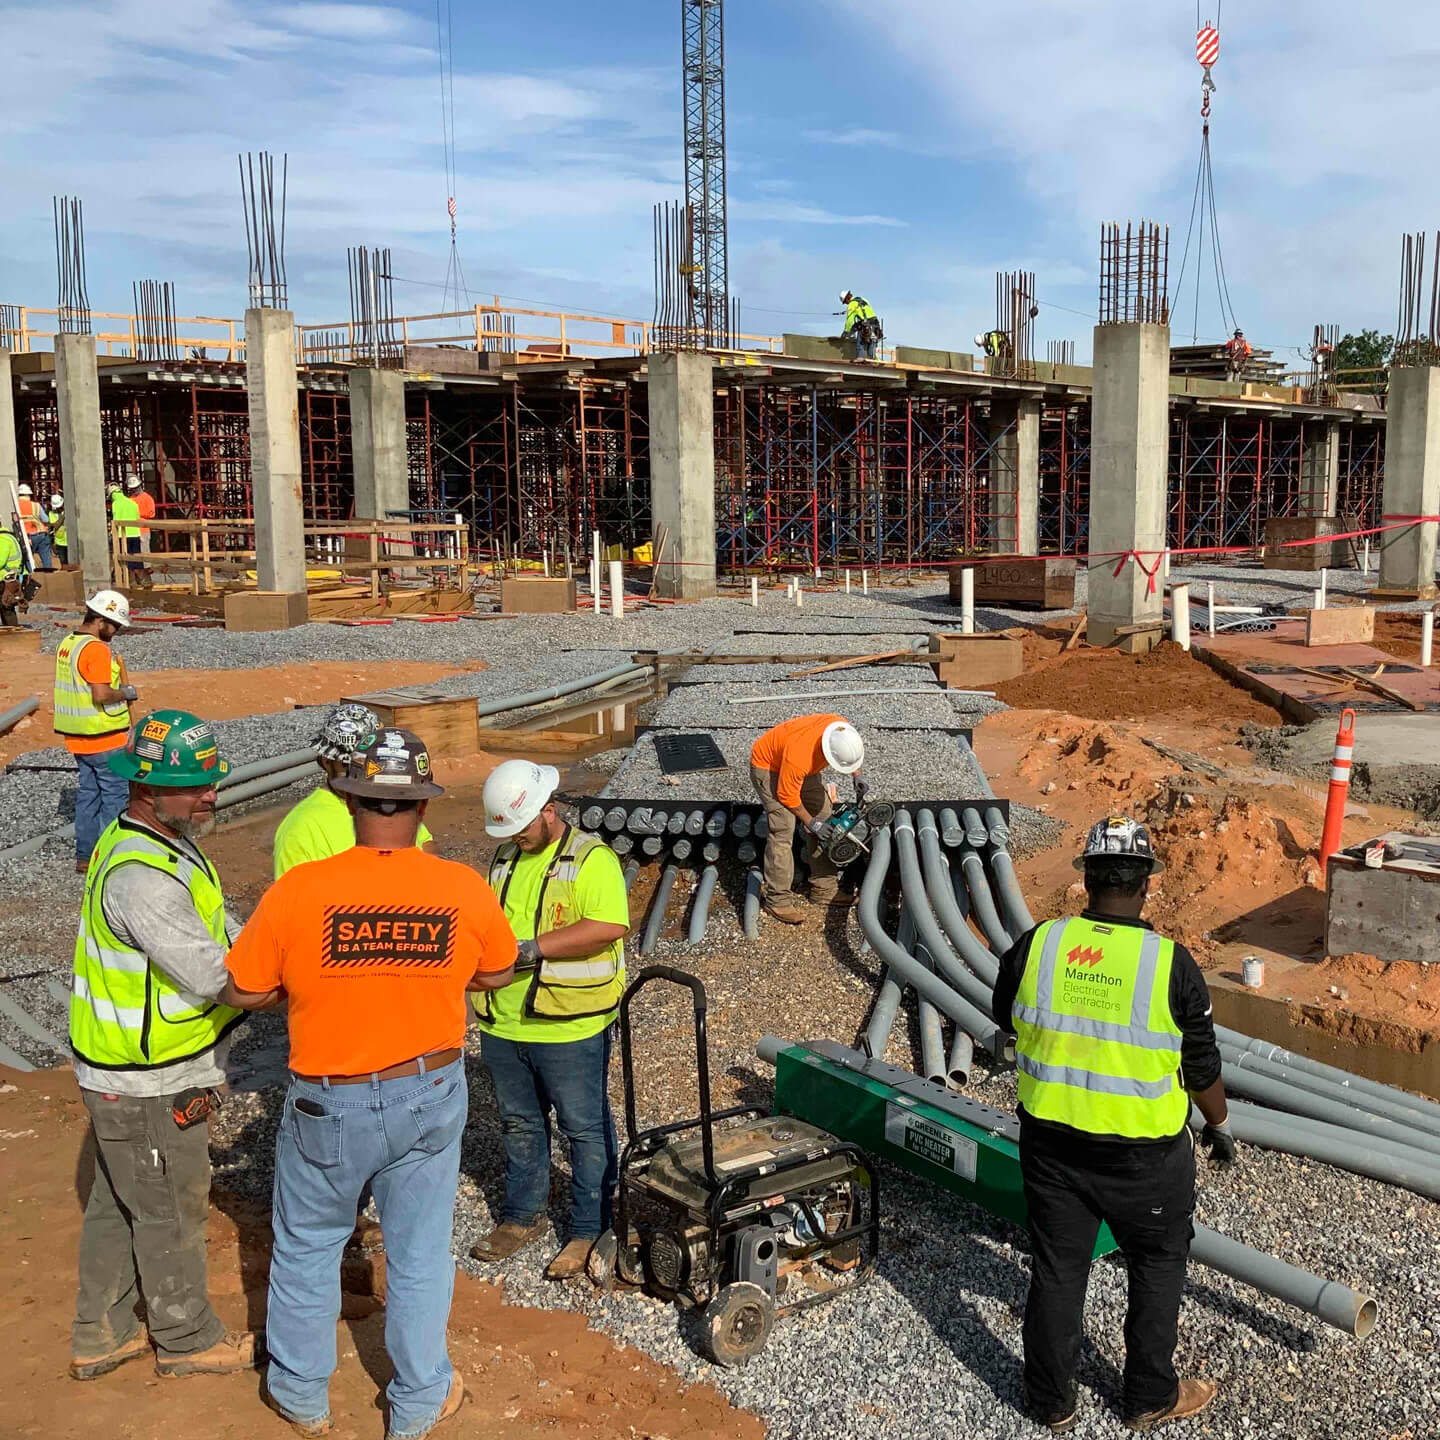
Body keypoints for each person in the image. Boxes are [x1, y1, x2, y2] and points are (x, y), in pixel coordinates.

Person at [223, 728, 517, 1440]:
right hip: (427, 1092)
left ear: (348, 798)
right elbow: (501, 970)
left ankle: (300, 1395)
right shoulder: (459, 887)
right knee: (418, 1253)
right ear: (422, 806)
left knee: (309, 1243)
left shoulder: (301, 891)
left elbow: (242, 988)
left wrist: (307, 988)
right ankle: (417, 1401)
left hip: (329, 1099)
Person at [991, 816, 1235, 1434]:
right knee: (1155, 1265)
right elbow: (1201, 1064)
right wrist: (1219, 1123)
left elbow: (1006, 1015)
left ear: (1088, 880)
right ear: (1145, 883)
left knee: (1057, 1268)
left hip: (1051, 1144)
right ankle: (1148, 1396)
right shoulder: (1170, 966)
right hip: (1145, 1158)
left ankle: (1051, 1402)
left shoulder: (1038, 944)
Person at [67, 709, 256, 1383]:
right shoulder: (140, 879)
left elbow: (216, 927)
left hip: (122, 1072)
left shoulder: (159, 841)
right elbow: (220, 980)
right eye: (196, 785)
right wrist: (290, 982)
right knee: (171, 1206)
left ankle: (100, 1333)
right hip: (147, 1080)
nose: (212, 794)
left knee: (120, 1203)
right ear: (146, 788)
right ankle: (185, 1338)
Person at [468, 760, 629, 1280]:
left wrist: (531, 950)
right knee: (519, 1124)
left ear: (549, 810)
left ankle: (589, 1228)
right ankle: (522, 1217)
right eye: (507, 831)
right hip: (504, 1022)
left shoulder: (590, 859)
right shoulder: (504, 858)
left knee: (583, 1130)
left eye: (520, 826)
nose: (514, 837)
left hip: (570, 1024)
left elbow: (608, 925)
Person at [272, 703, 432, 877]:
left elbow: (427, 849)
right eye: (350, 765)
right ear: (325, 762)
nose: (360, 774)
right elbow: (296, 895)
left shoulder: (392, 803)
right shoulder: (301, 828)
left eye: (368, 765)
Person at [749, 714, 866, 924]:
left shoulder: (841, 730)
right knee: (783, 829)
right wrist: (811, 823)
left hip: (804, 768)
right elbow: (787, 795)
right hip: (769, 767)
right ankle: (778, 900)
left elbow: (851, 754)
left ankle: (824, 889)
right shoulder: (799, 755)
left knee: (826, 818)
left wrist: (856, 775)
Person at [55, 591, 139, 872]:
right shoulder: (96, 649)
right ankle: (107, 857)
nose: (115, 632)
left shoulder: (68, 644)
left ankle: (85, 856)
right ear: (101, 620)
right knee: (114, 796)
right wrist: (124, 693)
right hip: (105, 737)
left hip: (78, 739)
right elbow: (101, 695)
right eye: (114, 625)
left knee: (88, 795)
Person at [111, 480, 143, 582]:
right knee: (136, 557)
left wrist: (113, 533)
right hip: (135, 533)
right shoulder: (132, 502)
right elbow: (137, 517)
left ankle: (129, 581)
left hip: (122, 535)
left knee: (125, 559)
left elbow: (116, 519)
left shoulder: (116, 503)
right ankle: (142, 579)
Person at [17, 481, 51, 569]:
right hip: (42, 534)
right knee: (46, 560)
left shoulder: (17, 506)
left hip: (29, 537)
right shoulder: (36, 505)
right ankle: (49, 578)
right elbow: (46, 519)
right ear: (29, 494)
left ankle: (33, 579)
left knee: (29, 560)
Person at [839, 289, 880, 360]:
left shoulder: (852, 304)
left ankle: (860, 359)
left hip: (865, 325)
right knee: (871, 344)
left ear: (847, 299)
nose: (846, 304)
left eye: (845, 302)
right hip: (875, 324)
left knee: (860, 344)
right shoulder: (863, 300)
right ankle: (873, 361)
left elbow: (849, 320)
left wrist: (846, 332)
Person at [1, 522, 27, 626]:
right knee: (6, 607)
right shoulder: (8, 536)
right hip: (9, 579)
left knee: (7, 608)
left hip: (4, 579)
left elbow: (0, 561)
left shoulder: (3, 539)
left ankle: (12, 632)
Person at [49, 493, 67, 564]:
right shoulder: (52, 513)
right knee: (63, 562)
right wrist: (63, 516)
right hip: (60, 542)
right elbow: (56, 525)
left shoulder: (68, 511)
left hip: (70, 541)